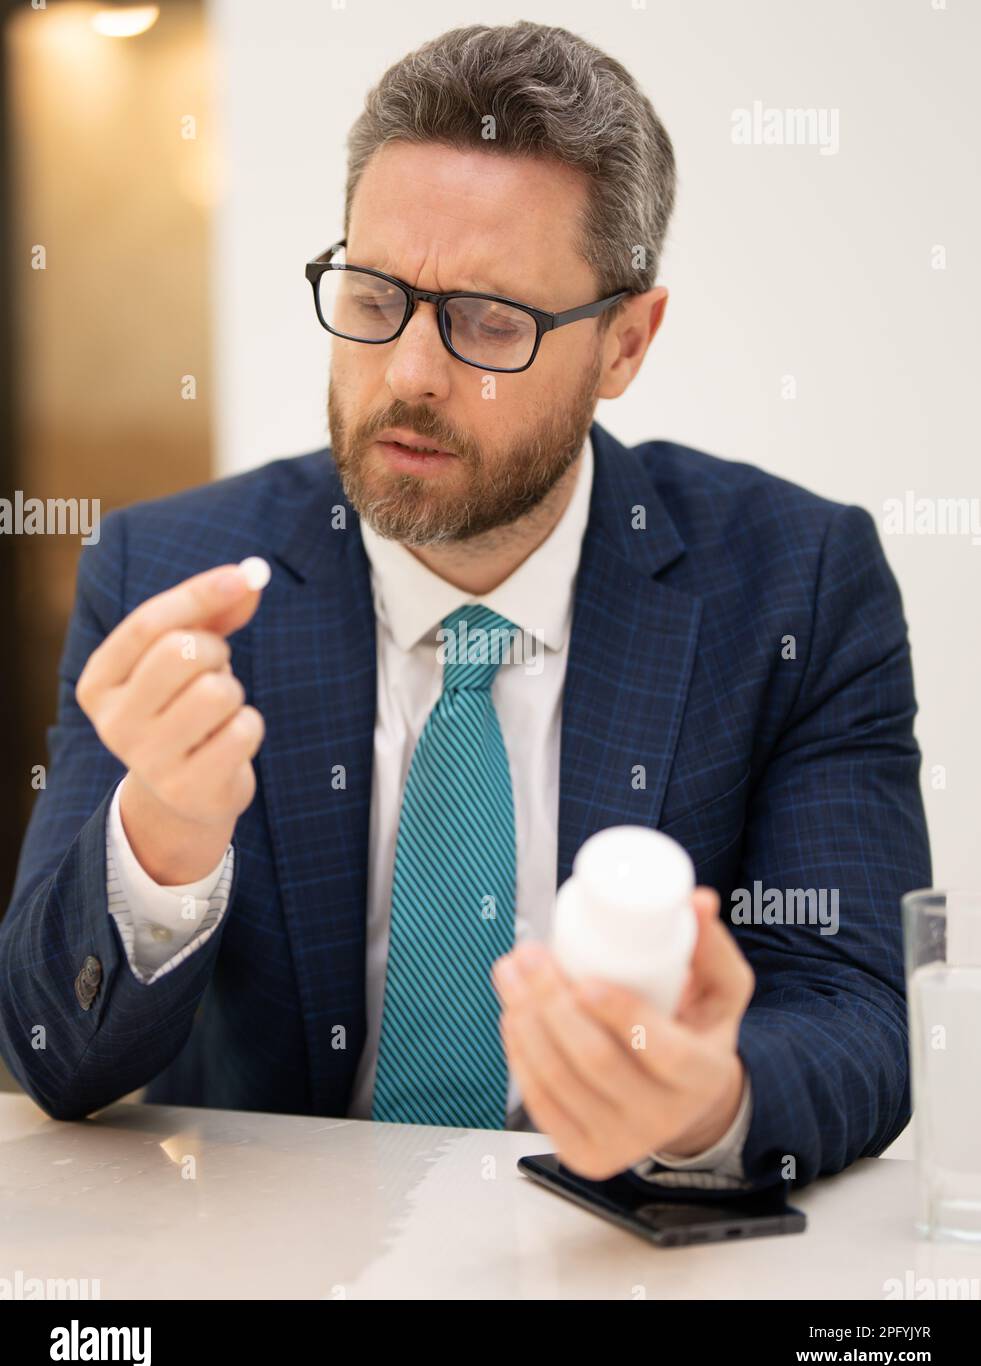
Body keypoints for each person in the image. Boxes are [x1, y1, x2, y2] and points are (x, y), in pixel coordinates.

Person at [0, 21, 930, 1193]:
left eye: (491, 319)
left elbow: (857, 1012)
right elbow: (49, 1059)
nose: (409, 372)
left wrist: (709, 1102)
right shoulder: (170, 573)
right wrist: (166, 841)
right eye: (375, 295)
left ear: (626, 342)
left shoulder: (795, 584)